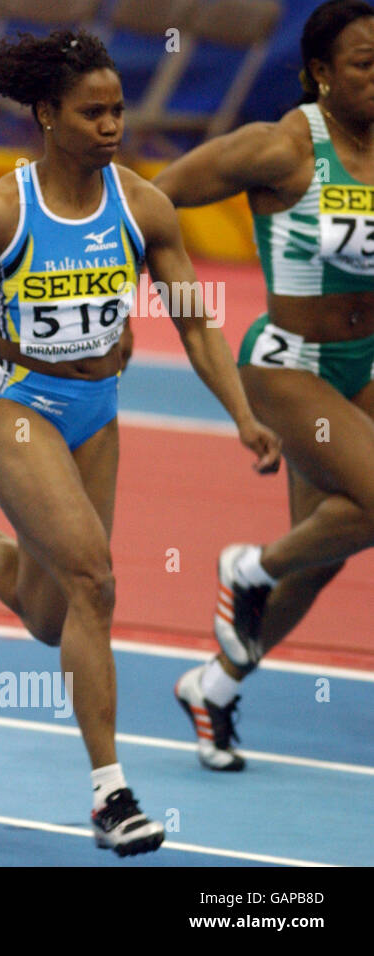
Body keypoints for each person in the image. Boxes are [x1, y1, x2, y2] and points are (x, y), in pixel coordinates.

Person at [0, 31, 280, 856]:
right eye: (94, 112)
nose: (112, 125)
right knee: (94, 578)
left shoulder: (143, 205)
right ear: (47, 115)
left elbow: (193, 320)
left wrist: (243, 413)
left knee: (51, 614)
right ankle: (111, 795)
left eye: (118, 109)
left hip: (98, 409)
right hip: (15, 402)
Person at [153, 0, 374, 772]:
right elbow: (153, 199)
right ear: (319, 73)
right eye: (364, 63)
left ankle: (210, 686)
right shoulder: (281, 148)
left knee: (322, 561)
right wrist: (130, 299)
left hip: (366, 364)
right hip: (290, 364)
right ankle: (248, 567)